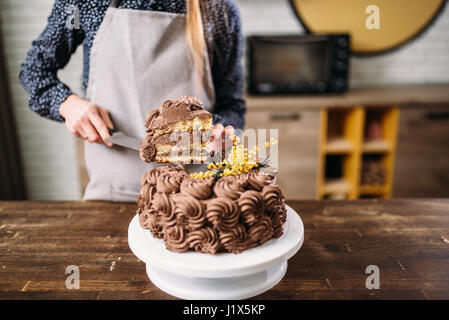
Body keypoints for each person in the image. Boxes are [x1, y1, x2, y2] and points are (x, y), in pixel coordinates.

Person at [19, 0, 246, 201]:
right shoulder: (85, 4)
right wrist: (67, 104)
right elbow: (35, 71)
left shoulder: (220, 10)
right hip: (114, 192)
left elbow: (232, 106)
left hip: (195, 195)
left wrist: (221, 132)